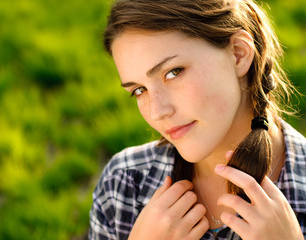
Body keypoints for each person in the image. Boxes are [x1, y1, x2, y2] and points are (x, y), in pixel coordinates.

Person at [89, 0, 306, 239]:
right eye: (139, 90)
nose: (157, 112)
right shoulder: (124, 184)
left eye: (173, 72)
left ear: (238, 54)